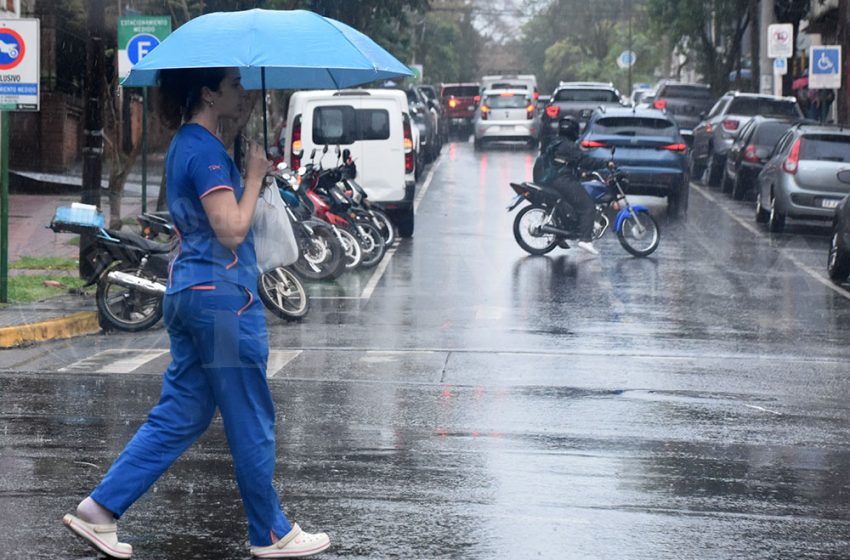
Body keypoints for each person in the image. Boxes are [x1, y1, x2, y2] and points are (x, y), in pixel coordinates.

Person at [62, 67, 330, 559]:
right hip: (223, 303)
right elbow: (230, 229)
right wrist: (251, 178)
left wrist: (246, 158)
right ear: (208, 92)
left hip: (189, 292)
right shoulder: (204, 150)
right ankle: (270, 532)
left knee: (183, 413)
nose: (244, 94)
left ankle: (98, 510)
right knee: (250, 413)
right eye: (234, 86)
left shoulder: (190, 144)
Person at [534, 116, 599, 255]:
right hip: (561, 179)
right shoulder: (569, 146)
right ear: (574, 131)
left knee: (569, 205)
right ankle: (586, 239)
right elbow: (584, 160)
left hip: (549, 179)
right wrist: (604, 164)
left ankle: (560, 234)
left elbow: (568, 163)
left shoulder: (555, 142)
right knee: (588, 206)